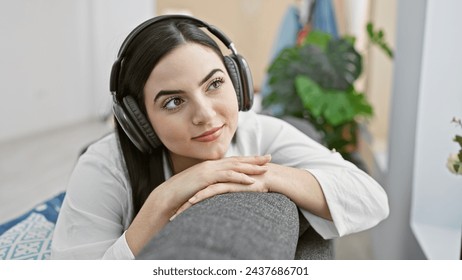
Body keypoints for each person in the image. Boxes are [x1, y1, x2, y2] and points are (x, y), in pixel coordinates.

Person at [51, 15, 389, 260]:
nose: (207, 115)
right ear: (139, 120)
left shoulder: (256, 130)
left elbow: (371, 199)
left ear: (238, 82)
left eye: (214, 84)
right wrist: (161, 201)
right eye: (173, 101)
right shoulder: (104, 165)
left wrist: (261, 174)